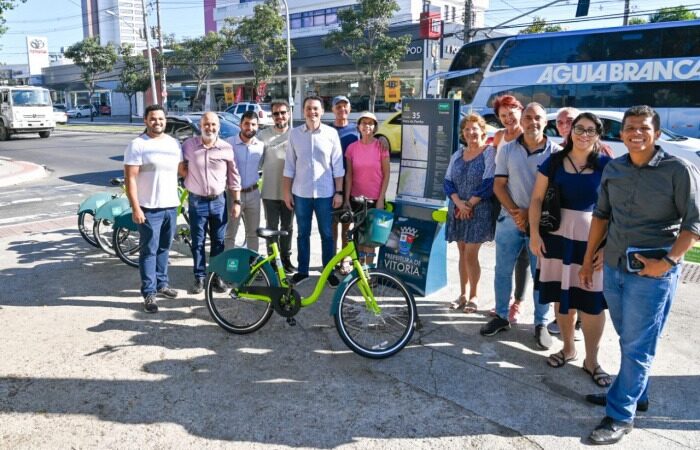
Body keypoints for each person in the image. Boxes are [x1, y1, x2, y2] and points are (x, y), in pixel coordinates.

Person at [579, 105, 700, 445]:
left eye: (643, 128)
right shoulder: (614, 168)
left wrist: (669, 263)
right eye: (629, 127)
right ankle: (636, 393)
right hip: (615, 267)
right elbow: (601, 217)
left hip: (651, 275)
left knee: (637, 345)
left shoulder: (679, 170)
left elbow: (694, 226)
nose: (636, 132)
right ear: (621, 133)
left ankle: (620, 414)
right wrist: (589, 260)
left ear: (656, 133)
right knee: (630, 338)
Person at [528, 112, 612, 384]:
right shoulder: (554, 162)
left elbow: (618, 209)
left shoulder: (606, 165)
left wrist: (606, 247)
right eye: (579, 128)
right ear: (570, 131)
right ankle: (568, 348)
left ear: (598, 134)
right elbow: (537, 199)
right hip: (556, 239)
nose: (584, 134)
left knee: (591, 303)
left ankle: (592, 360)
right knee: (561, 298)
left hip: (591, 242)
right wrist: (534, 235)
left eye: (590, 130)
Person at [481, 102, 560, 350]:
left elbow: (556, 192)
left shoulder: (556, 153)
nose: (532, 122)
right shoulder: (506, 151)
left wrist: (531, 215)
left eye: (538, 117)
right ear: (522, 120)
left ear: (546, 122)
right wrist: (517, 213)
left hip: (543, 225)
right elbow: (498, 185)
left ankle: (540, 323)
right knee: (502, 270)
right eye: (528, 117)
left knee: (541, 275)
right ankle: (502, 316)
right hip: (510, 220)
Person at [123, 104, 182, 313]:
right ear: (146, 121)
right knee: (149, 250)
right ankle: (149, 292)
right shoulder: (137, 144)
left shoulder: (174, 144)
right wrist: (136, 208)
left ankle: (162, 283)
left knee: (165, 248)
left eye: (161, 119)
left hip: (170, 206)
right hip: (149, 208)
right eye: (153, 119)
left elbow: (181, 170)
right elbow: (129, 178)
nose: (158, 122)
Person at [283, 95, 345, 287]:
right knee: (303, 234)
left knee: (327, 234)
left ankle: (328, 272)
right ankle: (303, 271)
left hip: (326, 194)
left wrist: (339, 192)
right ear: (303, 111)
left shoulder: (331, 134)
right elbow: (289, 166)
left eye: (316, 108)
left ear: (322, 111)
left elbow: (338, 166)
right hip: (301, 193)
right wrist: (286, 192)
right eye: (309, 108)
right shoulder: (294, 134)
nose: (312, 112)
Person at [179, 112, 241, 294]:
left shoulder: (226, 148)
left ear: (218, 127)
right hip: (197, 202)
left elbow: (234, 178)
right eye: (206, 124)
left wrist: (236, 202)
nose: (210, 128)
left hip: (219, 202)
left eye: (213, 124)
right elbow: (181, 167)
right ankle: (199, 277)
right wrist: (190, 180)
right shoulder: (188, 146)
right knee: (198, 241)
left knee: (218, 241)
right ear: (200, 125)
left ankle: (216, 276)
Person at [444, 113, 496, 313]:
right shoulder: (457, 154)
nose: (471, 132)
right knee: (462, 253)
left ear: (482, 131)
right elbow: (448, 182)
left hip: (478, 210)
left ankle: (474, 295)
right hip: (458, 210)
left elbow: (489, 181)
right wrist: (459, 203)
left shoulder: (489, 153)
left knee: (471, 255)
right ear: (463, 133)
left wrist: (469, 205)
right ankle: (462, 294)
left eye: (474, 128)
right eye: (467, 129)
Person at [491, 94, 529, 324]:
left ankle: (518, 302)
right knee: (504, 260)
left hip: (525, 207)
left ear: (520, 111)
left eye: (511, 113)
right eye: (502, 115)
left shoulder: (528, 137)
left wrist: (520, 211)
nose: (507, 118)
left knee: (523, 258)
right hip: (503, 205)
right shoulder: (498, 137)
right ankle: (502, 306)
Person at [343, 111, 390, 266]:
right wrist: (346, 199)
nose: (367, 126)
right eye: (364, 123)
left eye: (370, 123)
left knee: (371, 238)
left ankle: (370, 271)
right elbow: (349, 174)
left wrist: (381, 198)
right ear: (358, 126)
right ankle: (360, 270)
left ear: (375, 127)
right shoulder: (351, 148)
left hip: (374, 199)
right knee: (359, 237)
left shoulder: (381, 146)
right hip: (356, 198)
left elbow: (386, 174)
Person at [258, 100, 295, 273]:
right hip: (269, 192)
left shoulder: (296, 135)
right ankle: (273, 261)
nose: (279, 116)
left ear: (289, 114)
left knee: (287, 228)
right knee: (271, 228)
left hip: (290, 192)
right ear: (271, 116)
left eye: (282, 112)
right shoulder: (263, 135)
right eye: (275, 114)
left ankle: (286, 259)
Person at [225, 110, 264, 252]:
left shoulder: (260, 146)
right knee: (230, 233)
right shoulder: (229, 144)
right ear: (240, 125)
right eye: (246, 124)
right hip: (233, 195)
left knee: (253, 234)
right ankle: (228, 268)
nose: (250, 127)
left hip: (253, 193)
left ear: (258, 126)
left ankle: (252, 267)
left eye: (253, 124)